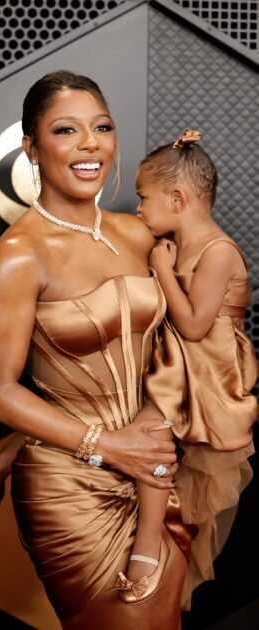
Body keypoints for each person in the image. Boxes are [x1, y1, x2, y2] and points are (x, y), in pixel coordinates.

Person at [0, 70, 192, 629]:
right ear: (31, 148)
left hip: (153, 468)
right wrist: (109, 446)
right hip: (70, 484)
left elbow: (180, 349)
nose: (90, 143)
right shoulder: (19, 255)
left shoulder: (137, 235)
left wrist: (149, 432)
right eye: (66, 130)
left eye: (102, 127)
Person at [128, 129, 257, 607]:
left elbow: (196, 325)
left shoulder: (218, 252)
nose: (138, 208)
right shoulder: (170, 244)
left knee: (150, 429)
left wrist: (162, 270)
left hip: (209, 371)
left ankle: (146, 549)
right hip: (177, 361)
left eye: (144, 198)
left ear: (177, 199)